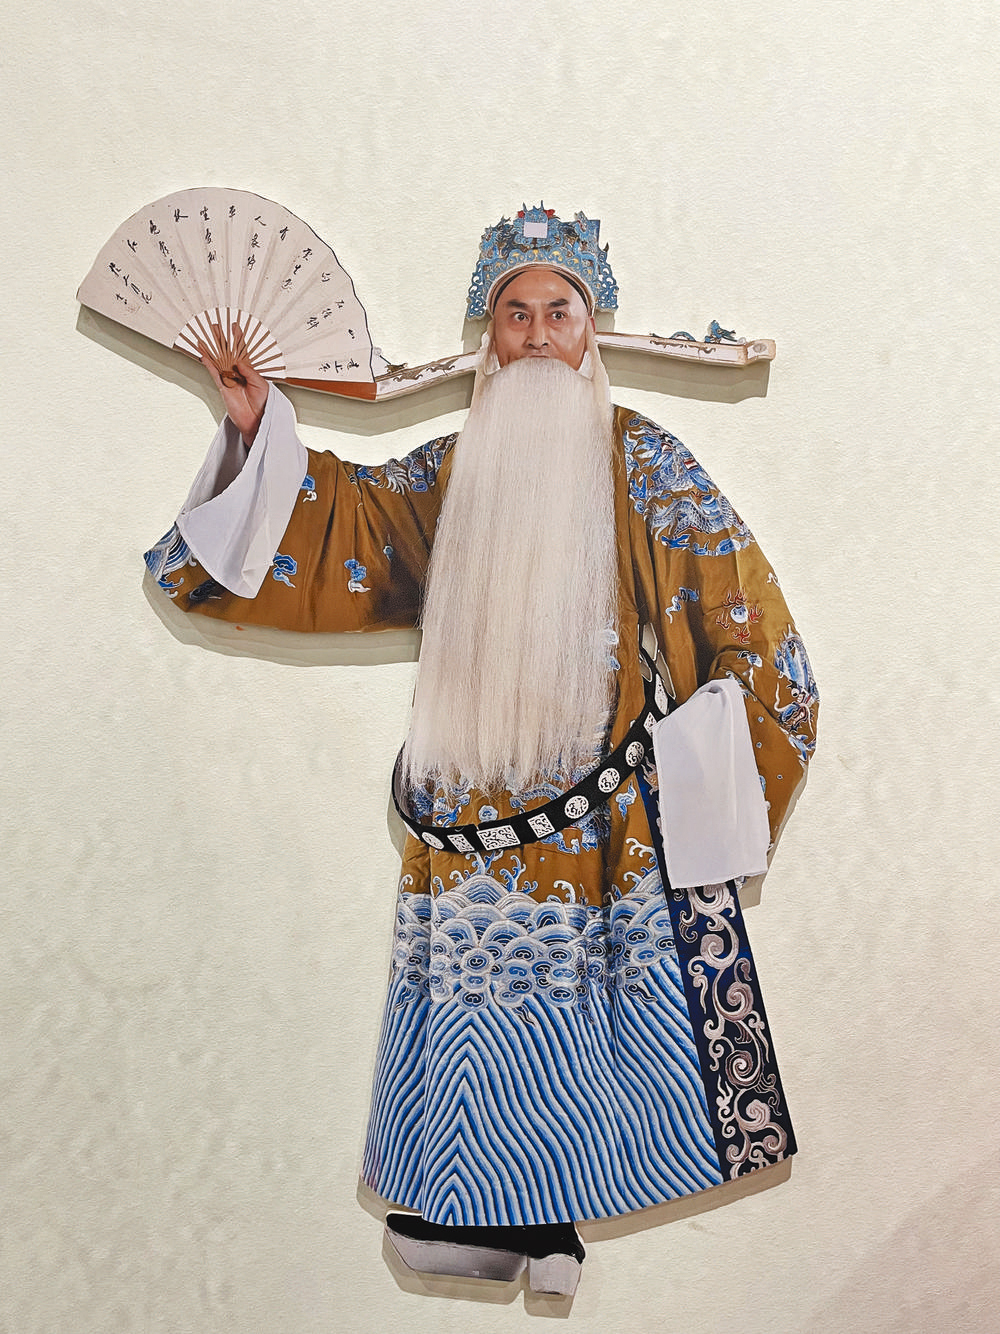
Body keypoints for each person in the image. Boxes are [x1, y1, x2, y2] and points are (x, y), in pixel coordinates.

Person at [144, 206, 818, 1297]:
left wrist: (700, 767)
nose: (538, 334)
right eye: (516, 314)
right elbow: (346, 530)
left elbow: (742, 621)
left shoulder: (643, 461)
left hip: (591, 823)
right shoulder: (452, 470)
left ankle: (553, 1224)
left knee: (568, 1025)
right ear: (488, 333)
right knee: (467, 1019)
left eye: (560, 311)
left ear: (591, 330)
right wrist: (257, 425)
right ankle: (468, 1213)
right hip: (462, 815)